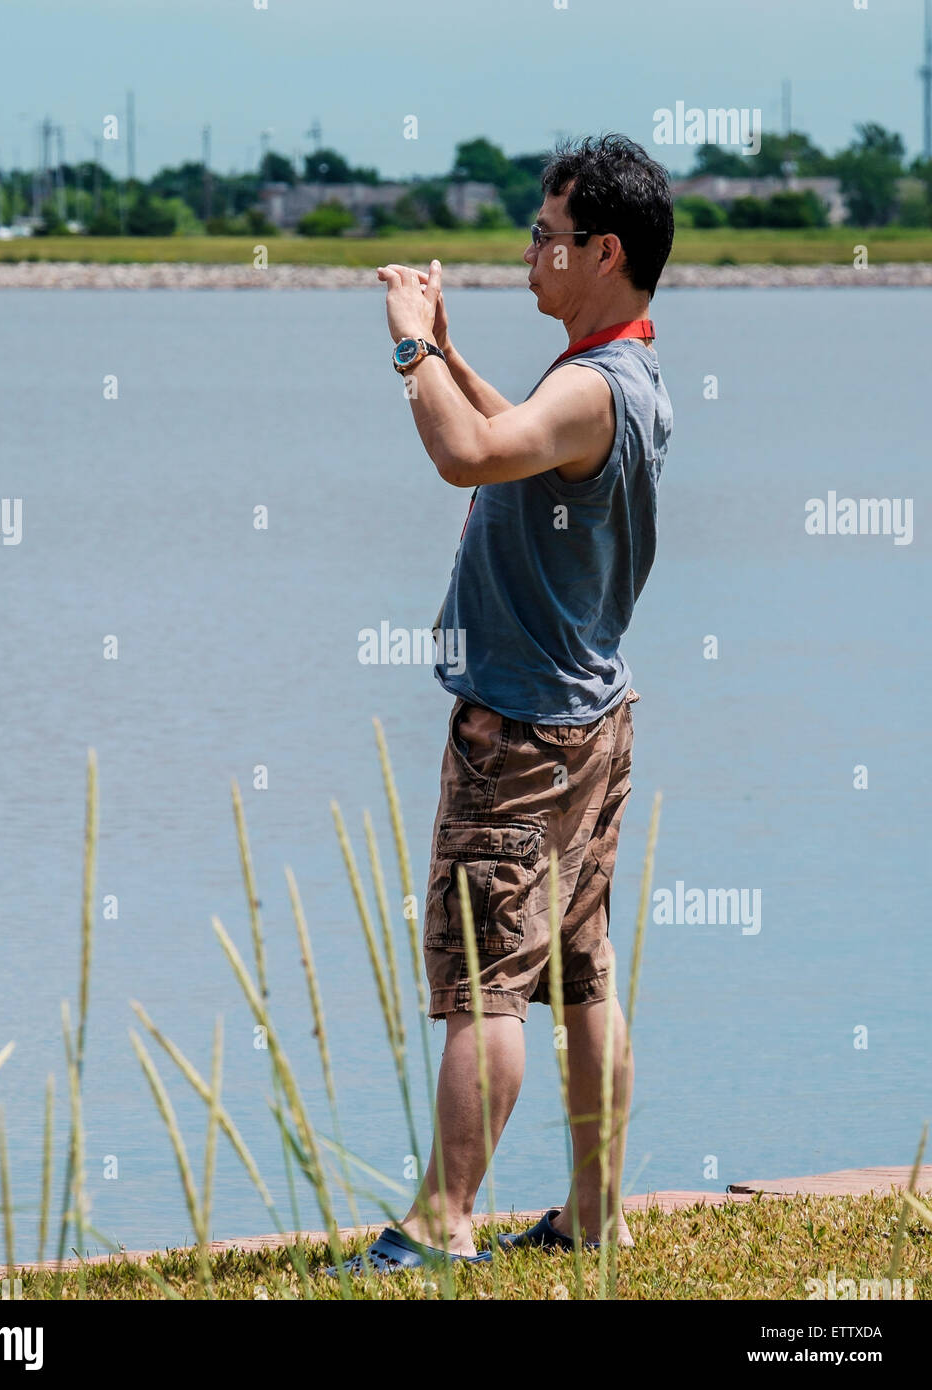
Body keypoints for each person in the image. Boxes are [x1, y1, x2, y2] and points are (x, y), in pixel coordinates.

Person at [333, 134, 674, 1277]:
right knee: (581, 971)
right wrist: (451, 350)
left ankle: (443, 1220)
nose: (530, 251)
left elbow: (468, 454)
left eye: (546, 236)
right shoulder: (623, 376)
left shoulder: (589, 388)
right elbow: (517, 440)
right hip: (592, 720)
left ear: (603, 251)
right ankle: (593, 1211)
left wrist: (407, 348)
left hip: (520, 733)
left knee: (484, 986)